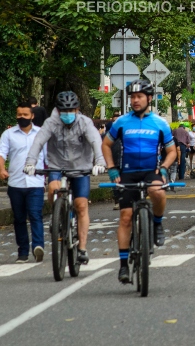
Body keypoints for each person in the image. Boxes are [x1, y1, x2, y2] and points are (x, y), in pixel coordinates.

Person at [102, 80, 176, 283]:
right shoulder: (121, 122)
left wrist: (163, 168)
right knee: (125, 217)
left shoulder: (160, 123)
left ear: (149, 98)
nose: (135, 100)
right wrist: (111, 168)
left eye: (139, 97)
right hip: (127, 173)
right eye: (132, 97)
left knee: (158, 191)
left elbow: (172, 151)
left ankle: (157, 224)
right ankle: (124, 265)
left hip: (151, 171)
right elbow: (106, 145)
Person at [25, 91, 106, 266]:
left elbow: (95, 142)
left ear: (77, 109)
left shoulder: (85, 123)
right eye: (64, 110)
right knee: (53, 189)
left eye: (71, 110)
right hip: (57, 166)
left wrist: (99, 161)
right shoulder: (51, 123)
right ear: (58, 109)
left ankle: (82, 248)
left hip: (81, 168)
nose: (67, 114)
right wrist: (30, 163)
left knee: (81, 206)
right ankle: (57, 217)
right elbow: (38, 142)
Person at [0, 102, 48, 263]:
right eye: (19, 115)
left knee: (35, 215)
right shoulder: (8, 134)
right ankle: (23, 252)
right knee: (18, 219)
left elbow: (49, 157)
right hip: (16, 183)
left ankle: (38, 246)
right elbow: (1, 153)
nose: (22, 117)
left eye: (25, 115)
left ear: (32, 116)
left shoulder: (41, 134)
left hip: (36, 183)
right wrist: (2, 169)